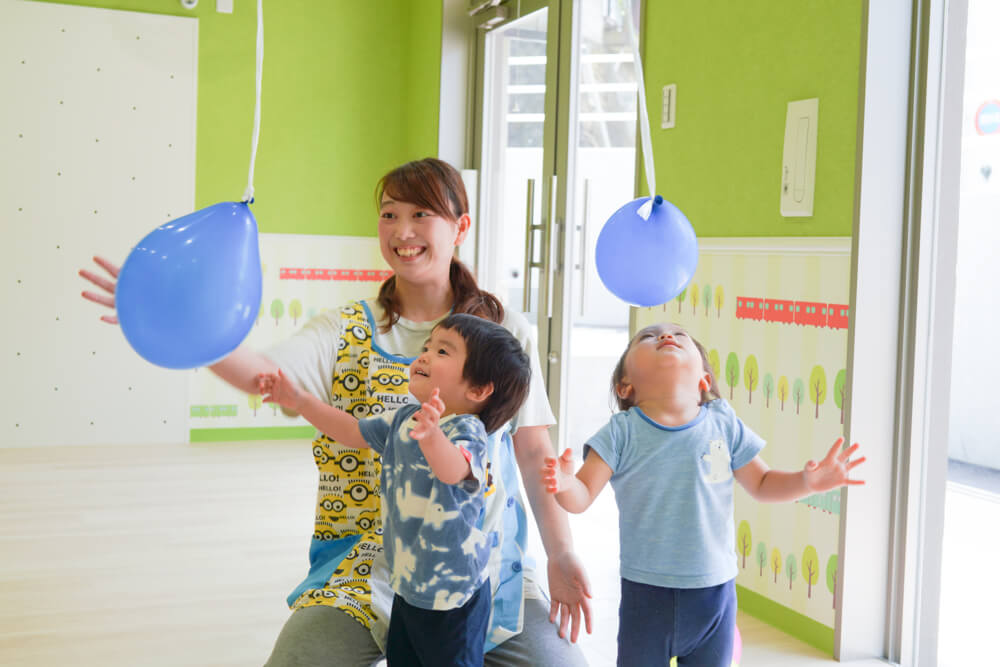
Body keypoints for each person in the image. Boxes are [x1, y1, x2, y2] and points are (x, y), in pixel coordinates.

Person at [79, 157, 592, 666]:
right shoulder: (344, 328)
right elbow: (266, 374)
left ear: (460, 227)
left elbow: (532, 453)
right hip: (367, 563)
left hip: (481, 567)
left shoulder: (505, 334)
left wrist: (560, 552)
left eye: (421, 214)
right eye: (389, 214)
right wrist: (183, 322)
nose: (402, 230)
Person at [542, 322, 866, 667]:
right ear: (626, 386)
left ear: (703, 382)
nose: (666, 336)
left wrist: (807, 482)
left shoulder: (723, 423)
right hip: (647, 593)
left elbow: (762, 482)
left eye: (680, 335)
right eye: (648, 337)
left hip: (715, 595)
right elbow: (582, 495)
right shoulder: (621, 433)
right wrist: (563, 484)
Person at [256, 313, 532, 666]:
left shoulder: (468, 432)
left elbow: (455, 470)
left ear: (478, 390)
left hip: (453, 596)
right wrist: (301, 401)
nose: (426, 355)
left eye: (443, 352)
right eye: (427, 346)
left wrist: (433, 437)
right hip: (408, 581)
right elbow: (353, 433)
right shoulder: (406, 418)